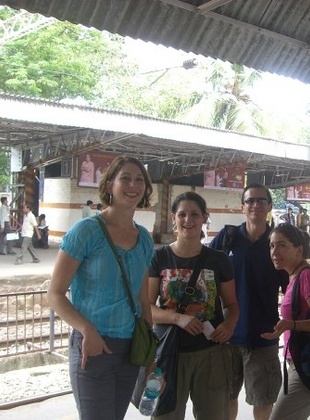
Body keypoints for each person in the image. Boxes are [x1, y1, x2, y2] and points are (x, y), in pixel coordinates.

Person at [47, 156, 155, 420]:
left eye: (139, 179)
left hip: (131, 350)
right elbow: (55, 293)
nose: (133, 185)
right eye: (125, 178)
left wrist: (149, 352)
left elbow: (143, 300)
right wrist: (86, 330)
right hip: (93, 347)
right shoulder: (86, 232)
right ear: (109, 185)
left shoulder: (144, 239)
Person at [149, 191, 239, 420]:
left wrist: (229, 323)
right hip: (168, 354)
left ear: (204, 218)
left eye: (194, 215)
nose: (188, 220)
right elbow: (146, 308)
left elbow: (231, 304)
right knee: (164, 415)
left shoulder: (218, 259)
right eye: (182, 215)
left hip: (210, 353)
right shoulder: (159, 258)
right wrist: (178, 318)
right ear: (173, 218)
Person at [210, 183, 288, 420]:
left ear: (270, 206)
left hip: (263, 337)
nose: (256, 205)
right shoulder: (228, 238)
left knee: (263, 403)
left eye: (261, 200)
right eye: (250, 200)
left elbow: (291, 288)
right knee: (225, 399)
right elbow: (207, 277)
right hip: (226, 337)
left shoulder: (277, 244)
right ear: (242, 206)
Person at [262, 223, 310, 420]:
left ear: (299, 250)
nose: (274, 252)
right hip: (298, 360)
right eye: (271, 246)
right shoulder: (294, 276)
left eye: (282, 245)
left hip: (309, 364)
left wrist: (292, 325)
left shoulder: (308, 278)